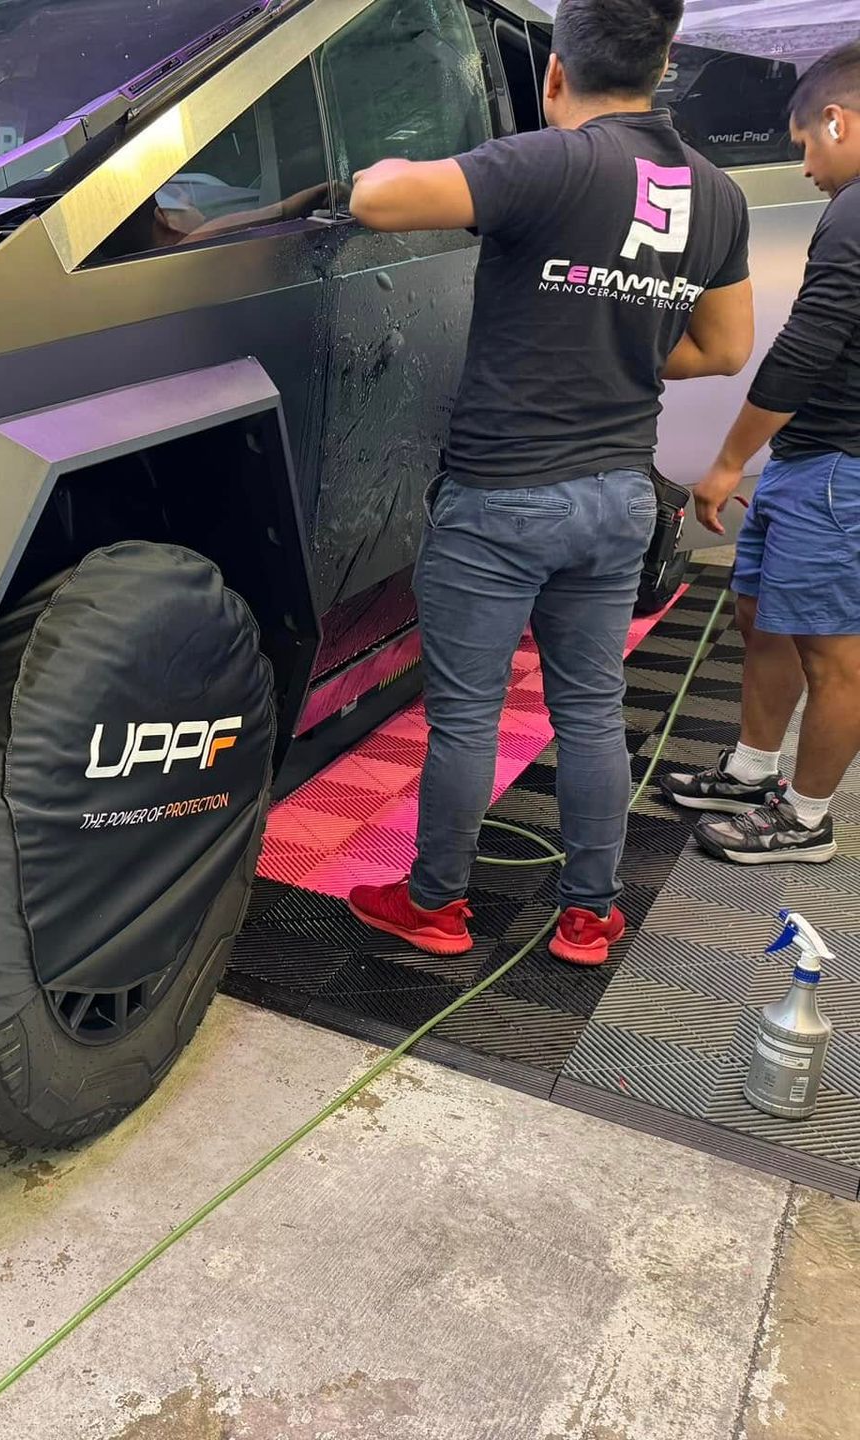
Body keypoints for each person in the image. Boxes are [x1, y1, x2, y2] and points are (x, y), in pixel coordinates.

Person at [341, 0, 755, 966]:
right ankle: (588, 916)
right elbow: (725, 347)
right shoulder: (717, 193)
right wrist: (619, 345)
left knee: (467, 717)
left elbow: (376, 199)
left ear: (556, 72)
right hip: (617, 498)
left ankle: (436, 906)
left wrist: (378, 164)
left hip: (502, 497)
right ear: (665, 61)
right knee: (590, 709)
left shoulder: (547, 162)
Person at [659, 43, 860, 866]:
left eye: (804, 143)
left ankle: (806, 821)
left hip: (839, 469)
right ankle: (752, 771)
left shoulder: (854, 209)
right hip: (813, 458)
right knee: (762, 613)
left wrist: (726, 461)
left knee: (832, 650)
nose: (804, 166)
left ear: (837, 120)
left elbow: (807, 345)